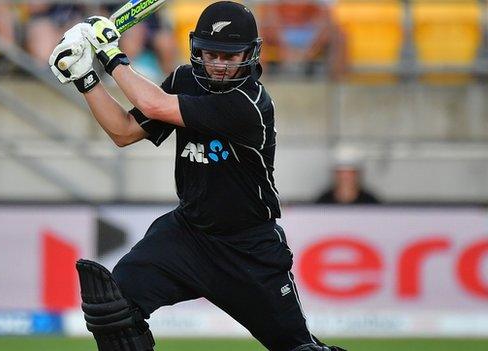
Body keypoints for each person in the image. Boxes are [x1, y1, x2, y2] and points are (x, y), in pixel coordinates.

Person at [49, 2, 346, 350]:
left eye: (230, 57)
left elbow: (156, 106)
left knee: (299, 348)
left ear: (249, 55)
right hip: (187, 235)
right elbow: (124, 131)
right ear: (196, 49)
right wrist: (85, 77)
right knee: (113, 308)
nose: (218, 65)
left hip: (247, 248)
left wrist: (111, 53)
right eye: (210, 54)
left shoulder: (249, 103)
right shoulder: (184, 80)